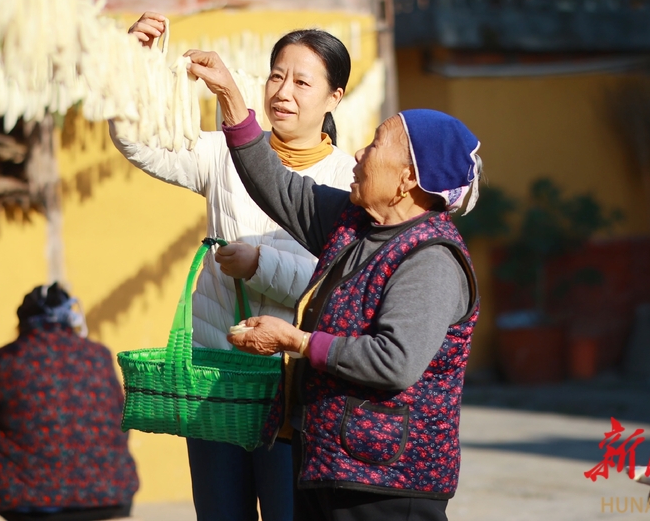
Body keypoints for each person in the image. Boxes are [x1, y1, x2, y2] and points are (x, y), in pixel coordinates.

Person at [185, 49, 482, 521]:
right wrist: (230, 98)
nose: (359, 153)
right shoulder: (354, 221)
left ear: (407, 179)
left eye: (376, 145)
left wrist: (295, 341)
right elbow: (277, 185)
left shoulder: (430, 259)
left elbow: (394, 362)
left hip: (387, 484)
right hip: (329, 464)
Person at [112, 14, 357, 521]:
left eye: (302, 81)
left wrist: (259, 263)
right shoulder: (222, 155)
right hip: (216, 379)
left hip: (293, 389)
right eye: (276, 75)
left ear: (335, 97)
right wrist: (128, 67)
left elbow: (336, 282)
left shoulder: (349, 178)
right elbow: (140, 143)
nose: (283, 91)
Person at [0, 283, 138, 521]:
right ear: (72, 319)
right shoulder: (99, 356)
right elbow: (122, 422)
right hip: (111, 494)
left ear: (22, 323)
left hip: (27, 501)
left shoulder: (8, 359)